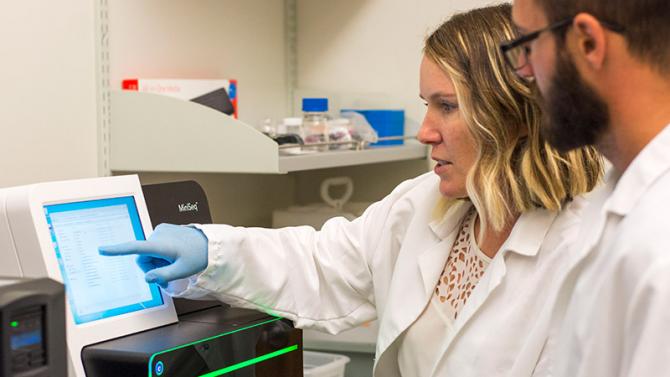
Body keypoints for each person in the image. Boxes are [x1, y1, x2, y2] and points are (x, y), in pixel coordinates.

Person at [101, 5, 603, 376]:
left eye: (446, 106)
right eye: (426, 105)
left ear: (512, 112)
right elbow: (323, 262)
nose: (425, 131)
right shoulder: (425, 205)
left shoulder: (590, 249)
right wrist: (209, 250)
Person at [506, 0, 670, 376]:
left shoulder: (661, 246)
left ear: (588, 43)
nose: (524, 71)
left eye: (527, 45)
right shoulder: (620, 197)